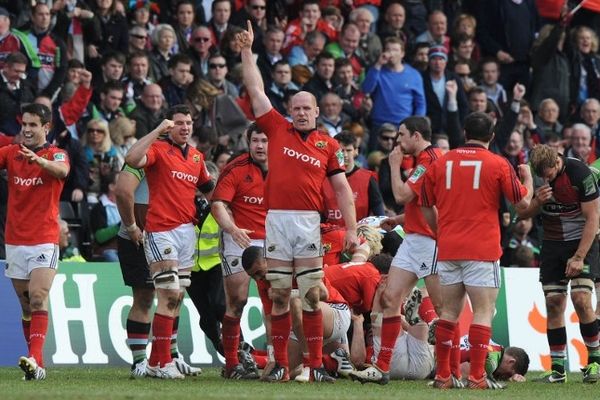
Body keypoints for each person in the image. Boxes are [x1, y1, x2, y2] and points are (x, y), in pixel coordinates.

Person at [238, 20, 359, 382]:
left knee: (310, 293)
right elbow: (256, 89)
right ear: (290, 110)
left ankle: (316, 364)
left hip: (308, 222)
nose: (302, 112)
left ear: (317, 112)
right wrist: (247, 50)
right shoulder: (276, 128)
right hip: (277, 220)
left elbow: (341, 190)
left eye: (308, 108)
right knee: (277, 292)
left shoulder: (328, 145)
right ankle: (278, 363)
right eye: (297, 107)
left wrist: (352, 229)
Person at [421, 112, 533, 389]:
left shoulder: (441, 162)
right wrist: (528, 178)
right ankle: (477, 377)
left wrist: (440, 232)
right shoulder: (498, 163)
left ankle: (444, 376)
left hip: (448, 248)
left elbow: (423, 203)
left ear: (464, 133)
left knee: (448, 312)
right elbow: (522, 204)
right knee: (483, 311)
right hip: (482, 249)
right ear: (492, 137)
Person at [349, 116, 443, 385]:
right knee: (390, 298)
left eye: (401, 135)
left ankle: (448, 371)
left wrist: (393, 165)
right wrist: (400, 220)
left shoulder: (427, 161)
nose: (398, 141)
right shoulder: (425, 160)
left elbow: (401, 195)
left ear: (416, 136)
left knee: (441, 309)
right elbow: (419, 203)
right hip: (413, 238)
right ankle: (381, 368)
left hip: (429, 241)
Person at [125, 104, 214, 379]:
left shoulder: (197, 158)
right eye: (178, 123)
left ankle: (162, 360)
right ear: (169, 126)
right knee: (166, 295)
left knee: (176, 297)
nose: (185, 127)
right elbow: (131, 158)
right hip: (161, 230)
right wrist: (156, 131)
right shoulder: (158, 150)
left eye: (188, 122)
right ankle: (159, 363)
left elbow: (211, 191)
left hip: (188, 232)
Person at [518, 144, 600, 384]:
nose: (546, 178)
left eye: (549, 174)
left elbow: (593, 217)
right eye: (541, 174)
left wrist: (579, 257)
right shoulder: (535, 174)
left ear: (557, 162)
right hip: (553, 244)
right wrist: (537, 203)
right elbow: (521, 213)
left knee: (582, 300)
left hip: (582, 242)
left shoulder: (580, 173)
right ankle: (557, 370)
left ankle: (594, 362)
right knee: (554, 303)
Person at [115, 162, 202, 378]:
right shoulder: (144, 156)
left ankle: (170, 355)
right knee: (144, 297)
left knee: (176, 295)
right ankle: (139, 361)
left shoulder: (183, 157)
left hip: (169, 235)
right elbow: (123, 191)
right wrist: (131, 226)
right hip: (138, 237)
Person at [3, 103, 70, 380]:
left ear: (46, 127)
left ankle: (36, 359)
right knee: (27, 305)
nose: (27, 130)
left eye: (33, 125)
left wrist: (40, 161)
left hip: (44, 238)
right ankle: (34, 364)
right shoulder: (10, 153)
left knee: (39, 297)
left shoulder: (56, 153)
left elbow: (63, 171)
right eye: (24, 124)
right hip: (15, 239)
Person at [211, 123, 268, 379]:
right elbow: (218, 205)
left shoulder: (286, 167)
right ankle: (232, 364)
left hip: (273, 241)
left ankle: (279, 361)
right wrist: (232, 229)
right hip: (239, 240)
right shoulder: (235, 168)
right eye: (255, 140)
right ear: (248, 141)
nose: (260, 146)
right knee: (237, 301)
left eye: (265, 140)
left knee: (277, 301)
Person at [322, 132, 384, 226]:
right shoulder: (322, 178)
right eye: (341, 151)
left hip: (359, 235)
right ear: (334, 151)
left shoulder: (368, 178)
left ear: (356, 151)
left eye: (349, 150)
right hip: (329, 234)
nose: (345, 155)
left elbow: (379, 213)